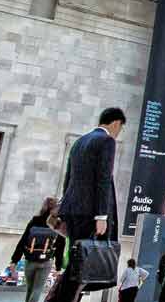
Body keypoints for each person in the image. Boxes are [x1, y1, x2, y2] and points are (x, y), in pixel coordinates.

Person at [50, 107, 126, 302]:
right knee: (81, 265)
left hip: (73, 209)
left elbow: (69, 177)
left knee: (77, 262)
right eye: (120, 128)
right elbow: (103, 178)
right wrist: (101, 216)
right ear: (116, 123)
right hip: (90, 212)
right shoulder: (106, 141)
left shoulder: (80, 141)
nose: (118, 133)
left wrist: (65, 205)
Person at [9, 196, 65, 302]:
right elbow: (60, 247)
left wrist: (14, 260)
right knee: (37, 290)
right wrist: (58, 267)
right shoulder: (57, 223)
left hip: (30, 260)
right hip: (46, 261)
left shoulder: (35, 220)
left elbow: (23, 240)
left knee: (30, 289)